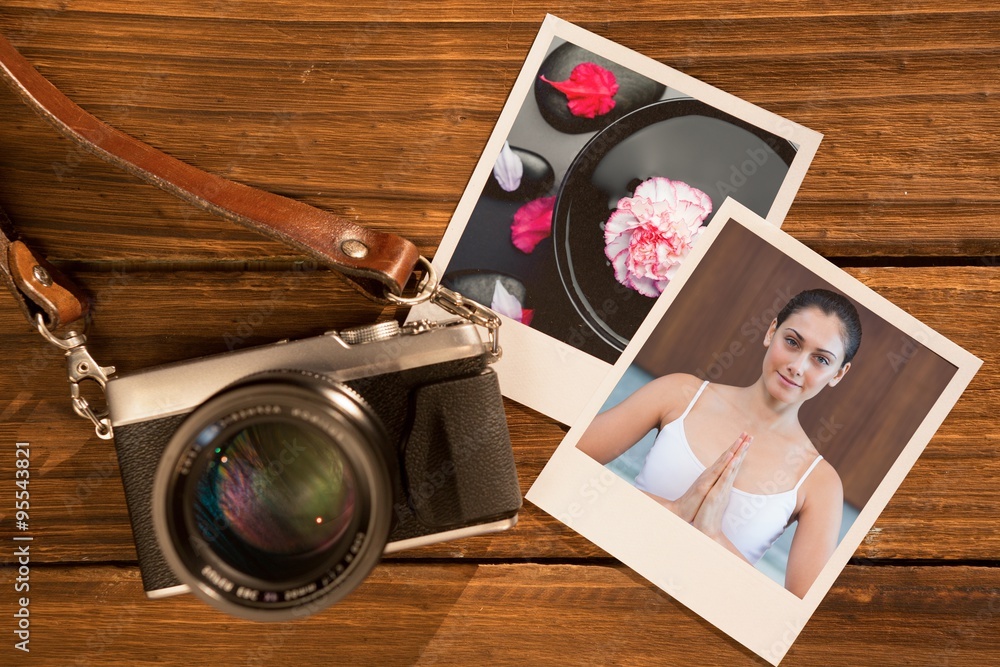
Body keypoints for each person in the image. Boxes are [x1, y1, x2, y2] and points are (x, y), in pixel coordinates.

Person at [577, 288, 862, 598]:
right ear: (771, 332)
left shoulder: (820, 483)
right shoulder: (680, 393)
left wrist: (712, 536)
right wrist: (674, 511)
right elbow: (561, 465)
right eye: (792, 342)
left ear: (838, 374)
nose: (798, 366)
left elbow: (792, 616)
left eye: (821, 360)